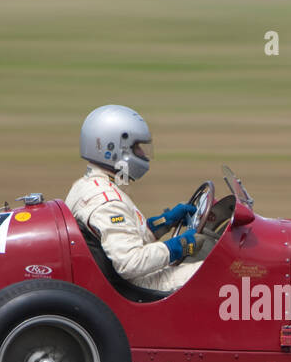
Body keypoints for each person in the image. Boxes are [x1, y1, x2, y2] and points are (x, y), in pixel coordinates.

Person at [65, 105, 203, 293]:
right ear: (112, 147)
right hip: (138, 286)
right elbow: (130, 263)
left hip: (123, 281)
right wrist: (178, 246)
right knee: (221, 272)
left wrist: (161, 224)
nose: (143, 154)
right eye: (136, 147)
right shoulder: (108, 202)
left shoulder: (85, 185)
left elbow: (119, 239)